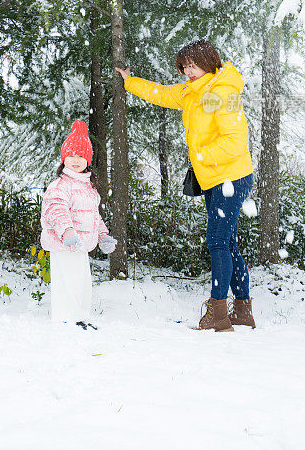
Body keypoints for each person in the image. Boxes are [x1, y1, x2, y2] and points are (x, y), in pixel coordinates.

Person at [116, 39, 255, 332]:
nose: (188, 72)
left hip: (230, 176)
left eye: (193, 65)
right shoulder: (192, 93)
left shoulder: (221, 92)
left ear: (208, 61)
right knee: (228, 242)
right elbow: (163, 94)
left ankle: (218, 312)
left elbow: (235, 141)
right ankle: (242, 310)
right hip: (214, 177)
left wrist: (201, 155)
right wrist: (131, 82)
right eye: (184, 67)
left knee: (218, 241)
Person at [41, 119, 116, 328]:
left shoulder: (87, 187)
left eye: (81, 156)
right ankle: (66, 318)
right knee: (67, 281)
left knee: (81, 283)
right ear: (64, 158)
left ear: (88, 160)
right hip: (64, 243)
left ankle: (80, 317)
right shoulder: (60, 185)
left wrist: (103, 235)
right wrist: (67, 232)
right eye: (71, 155)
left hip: (80, 245)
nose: (76, 160)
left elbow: (93, 215)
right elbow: (55, 210)